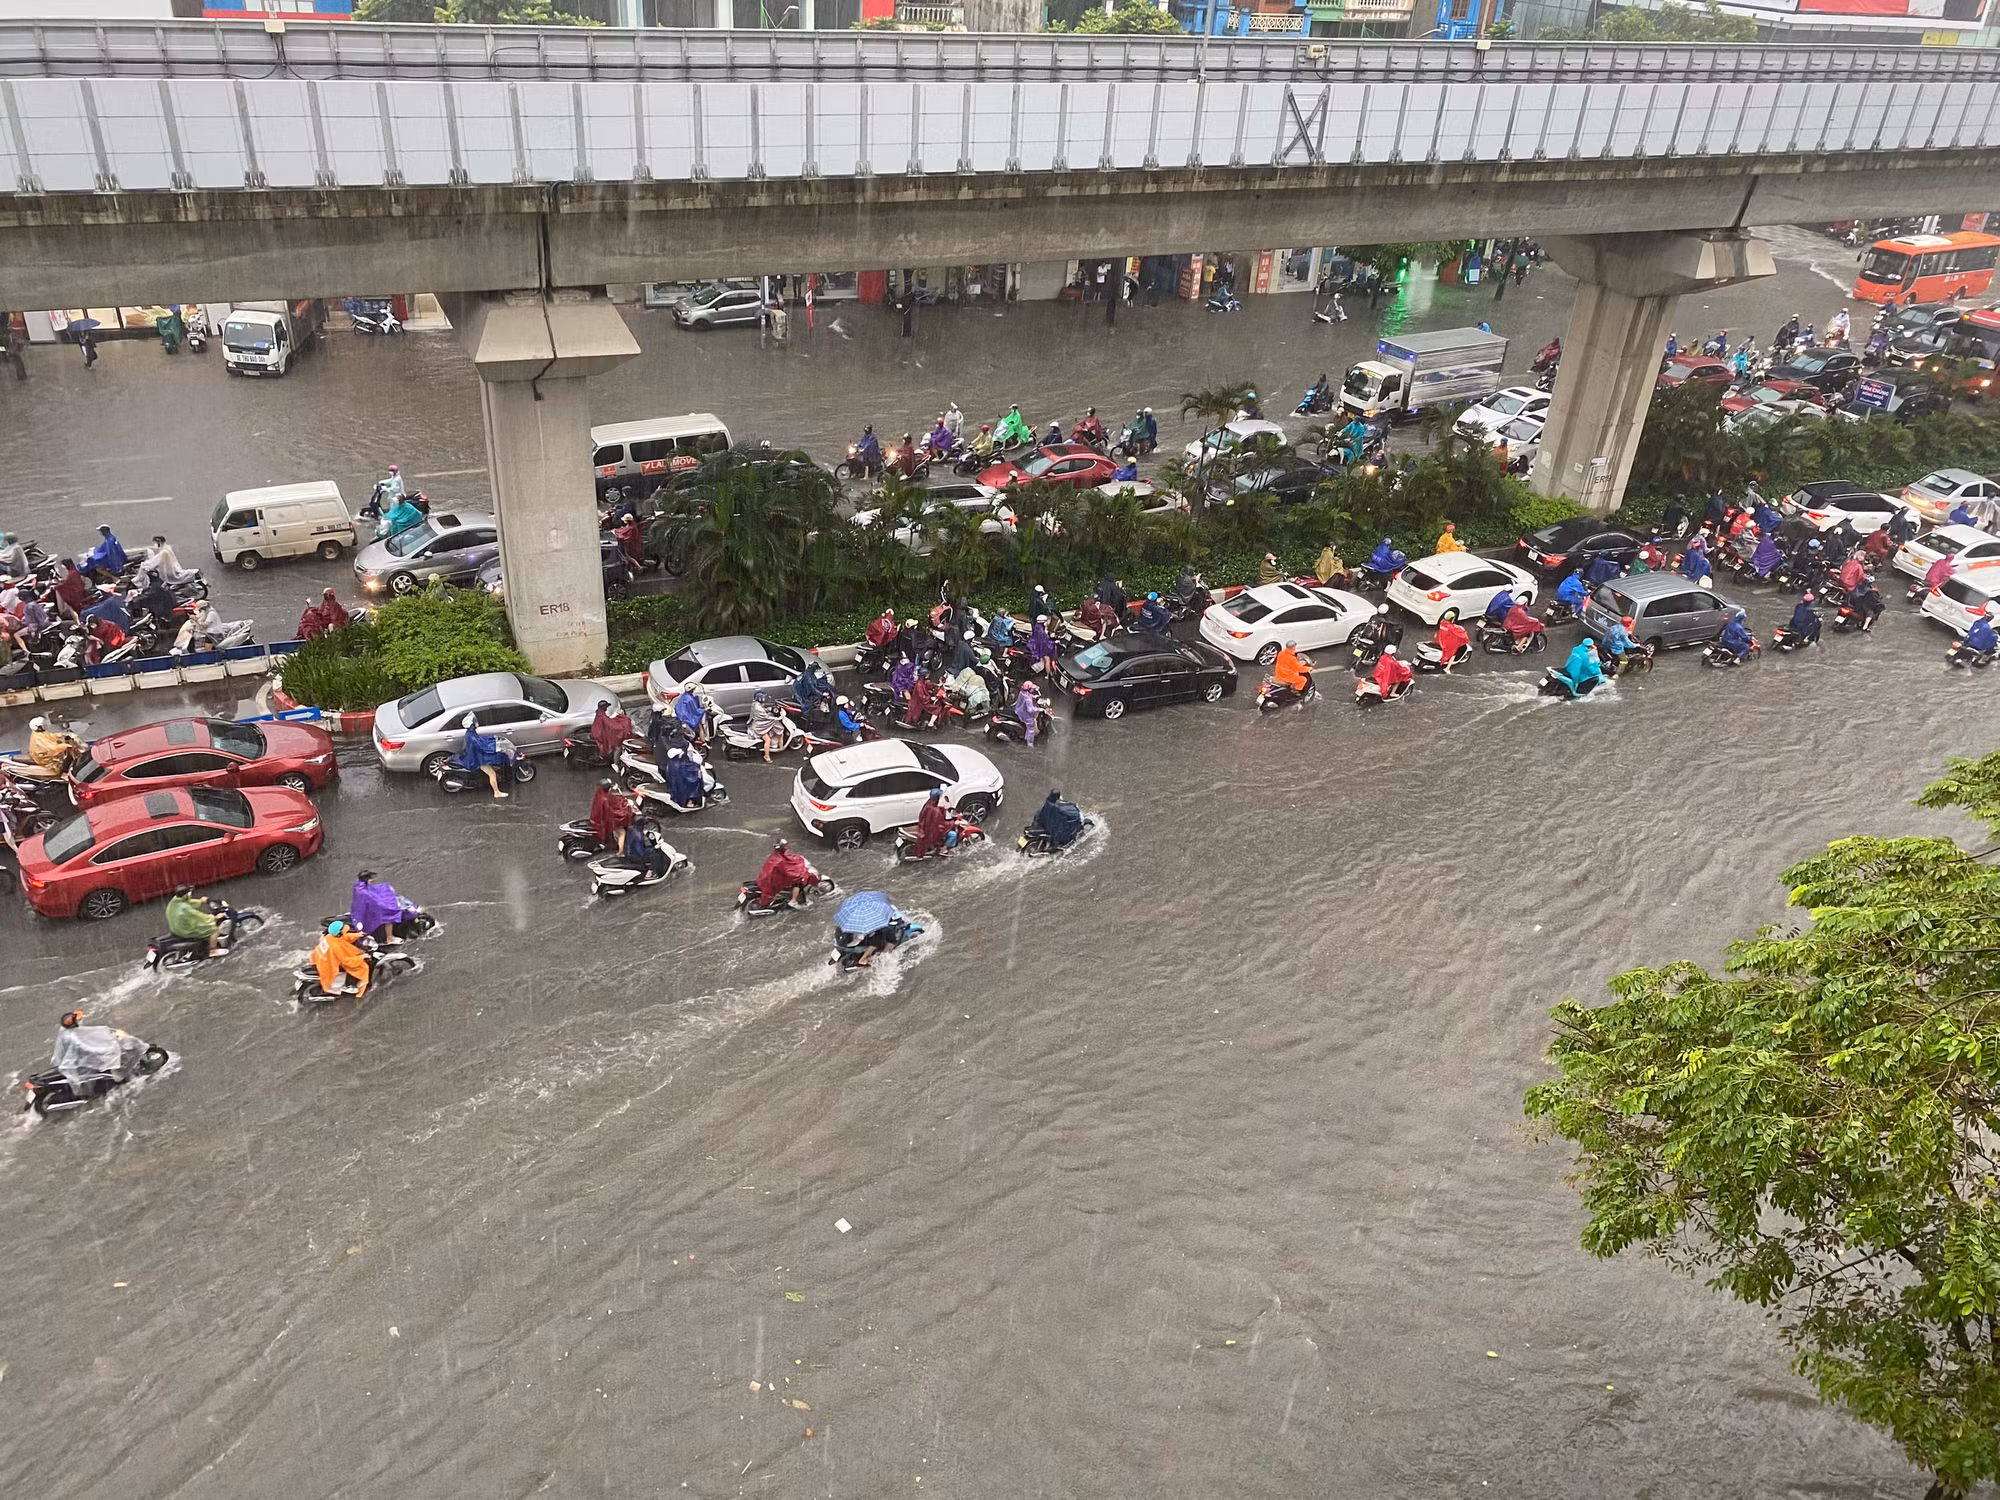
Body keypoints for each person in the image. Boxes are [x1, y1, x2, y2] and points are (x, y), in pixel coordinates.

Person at [51, 1010, 133, 1088]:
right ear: (74, 1024)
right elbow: (89, 1048)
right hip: (80, 1065)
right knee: (112, 1066)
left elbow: (92, 1036)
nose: (81, 1020)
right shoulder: (74, 1038)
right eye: (78, 1020)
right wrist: (108, 1049)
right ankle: (118, 1080)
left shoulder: (66, 1031)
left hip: (74, 1059)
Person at [453, 713, 512, 799]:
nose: (477, 722)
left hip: (476, 757)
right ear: (472, 724)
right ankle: (497, 792)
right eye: (475, 721)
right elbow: (481, 747)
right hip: (478, 759)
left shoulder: (470, 733)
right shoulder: (471, 736)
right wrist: (493, 748)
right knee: (492, 773)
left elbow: (479, 742)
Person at [350, 869, 416, 945]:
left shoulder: (359, 887)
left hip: (365, 910)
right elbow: (374, 900)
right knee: (389, 914)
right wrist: (387, 905)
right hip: (369, 911)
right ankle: (390, 937)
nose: (372, 880)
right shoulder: (363, 891)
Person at [312, 919, 372, 998]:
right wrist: (362, 957)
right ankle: (351, 986)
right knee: (363, 967)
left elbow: (344, 937)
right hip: (329, 964)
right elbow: (346, 961)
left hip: (320, 958)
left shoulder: (330, 936)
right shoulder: (337, 947)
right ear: (339, 933)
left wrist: (358, 935)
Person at [166, 884, 226, 957]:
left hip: (176, 929)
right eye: (189, 893)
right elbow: (199, 916)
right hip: (185, 930)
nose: (190, 894)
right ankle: (213, 951)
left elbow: (189, 902)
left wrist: (201, 901)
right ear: (185, 895)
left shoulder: (175, 902)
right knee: (214, 930)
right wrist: (214, 917)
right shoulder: (185, 908)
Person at [755, 839, 818, 908]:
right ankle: (793, 901)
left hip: (766, 877)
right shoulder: (780, 861)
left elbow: (787, 861)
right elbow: (789, 872)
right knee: (798, 882)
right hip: (774, 880)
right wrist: (799, 874)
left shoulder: (774, 856)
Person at [744, 691, 789, 762]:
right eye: (763, 697)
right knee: (767, 740)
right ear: (760, 698)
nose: (764, 698)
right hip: (759, 727)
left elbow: (764, 710)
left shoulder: (755, 704)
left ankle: (780, 747)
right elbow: (766, 717)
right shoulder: (758, 707)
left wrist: (770, 709)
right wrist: (777, 718)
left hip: (758, 723)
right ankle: (767, 756)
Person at [911, 787, 951, 858]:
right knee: (952, 835)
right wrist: (952, 824)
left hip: (924, 827)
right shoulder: (936, 811)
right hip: (930, 832)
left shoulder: (928, 804)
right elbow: (941, 825)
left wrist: (943, 809)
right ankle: (943, 850)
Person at [1014, 679, 1046, 746]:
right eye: (1031, 688)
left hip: (1019, 710)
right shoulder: (1028, 699)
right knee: (1031, 727)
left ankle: (1026, 738)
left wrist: (1034, 696)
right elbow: (1030, 710)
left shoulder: (1022, 692)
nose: (1032, 689)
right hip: (1024, 714)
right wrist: (1040, 709)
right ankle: (1030, 743)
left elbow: (1027, 695)